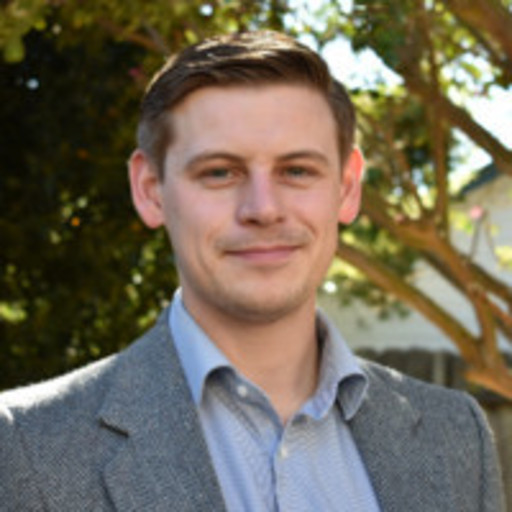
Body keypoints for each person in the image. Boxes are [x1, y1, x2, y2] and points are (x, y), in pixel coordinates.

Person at [0, 31, 505, 512]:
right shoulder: (27, 447)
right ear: (150, 189)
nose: (263, 209)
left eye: (297, 171)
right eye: (220, 172)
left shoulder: (455, 436)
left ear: (348, 188)